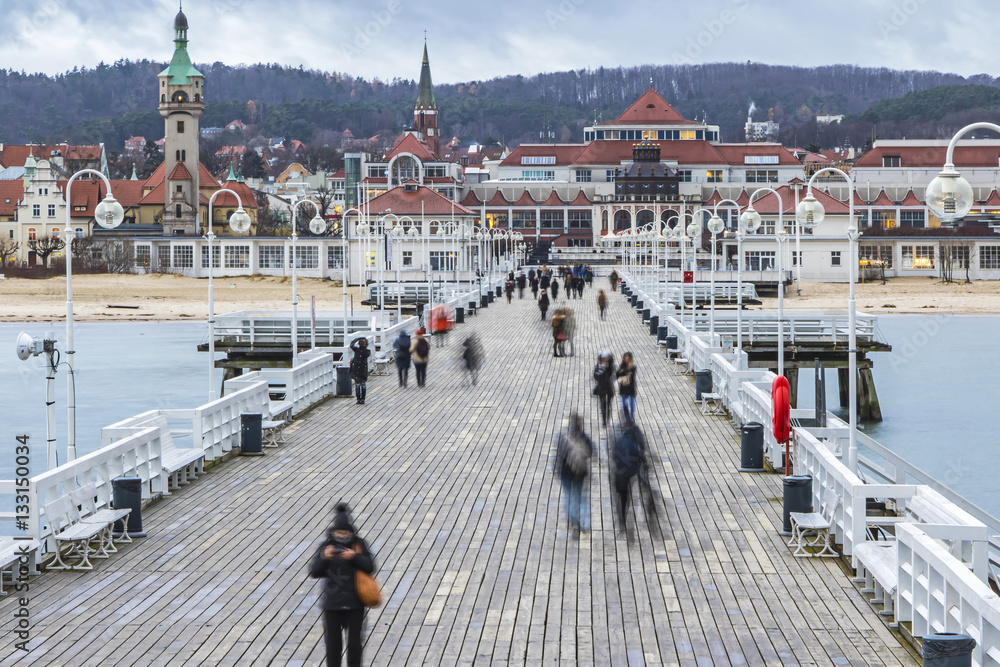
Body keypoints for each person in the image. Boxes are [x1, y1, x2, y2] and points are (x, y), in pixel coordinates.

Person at [309, 503, 376, 667]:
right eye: (338, 533)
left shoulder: (359, 545)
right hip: (332, 606)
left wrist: (354, 557)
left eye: (344, 533)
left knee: (354, 646)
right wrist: (324, 558)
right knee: (333, 647)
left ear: (351, 532)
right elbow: (314, 572)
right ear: (333, 532)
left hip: (355, 605)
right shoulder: (326, 546)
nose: (341, 536)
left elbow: (370, 567)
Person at [610, 418, 655, 535]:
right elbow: (640, 455)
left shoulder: (619, 440)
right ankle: (650, 510)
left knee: (623, 498)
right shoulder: (633, 443)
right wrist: (645, 461)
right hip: (631, 471)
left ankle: (622, 522)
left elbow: (614, 455)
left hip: (620, 474)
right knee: (645, 487)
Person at [556, 413, 593, 534]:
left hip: (565, 472)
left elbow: (559, 455)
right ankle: (583, 523)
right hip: (579, 473)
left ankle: (573, 521)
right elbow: (591, 451)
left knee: (567, 496)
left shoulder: (564, 437)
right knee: (578, 496)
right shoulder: (584, 437)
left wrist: (557, 469)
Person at [593, 351, 616, 427]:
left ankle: (608, 419)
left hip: (609, 387)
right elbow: (595, 375)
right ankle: (604, 420)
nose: (605, 360)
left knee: (608, 404)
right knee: (603, 404)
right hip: (601, 388)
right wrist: (600, 375)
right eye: (603, 358)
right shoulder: (598, 366)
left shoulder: (610, 366)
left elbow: (612, 374)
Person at [348, 337, 371, 405]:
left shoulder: (367, 351)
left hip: (363, 370)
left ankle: (363, 399)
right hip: (356, 370)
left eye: (363, 342)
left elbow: (365, 354)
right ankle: (358, 399)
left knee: (363, 385)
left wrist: (364, 346)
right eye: (361, 342)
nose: (362, 343)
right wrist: (357, 339)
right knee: (357, 385)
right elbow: (351, 345)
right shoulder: (356, 350)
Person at [616, 351, 637, 422]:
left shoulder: (633, 367)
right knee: (624, 404)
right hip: (623, 389)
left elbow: (632, 377)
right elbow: (617, 375)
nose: (627, 359)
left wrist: (623, 373)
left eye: (628, 358)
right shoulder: (621, 366)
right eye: (625, 358)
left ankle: (632, 417)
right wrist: (625, 373)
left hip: (631, 389)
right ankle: (627, 417)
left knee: (632, 404)